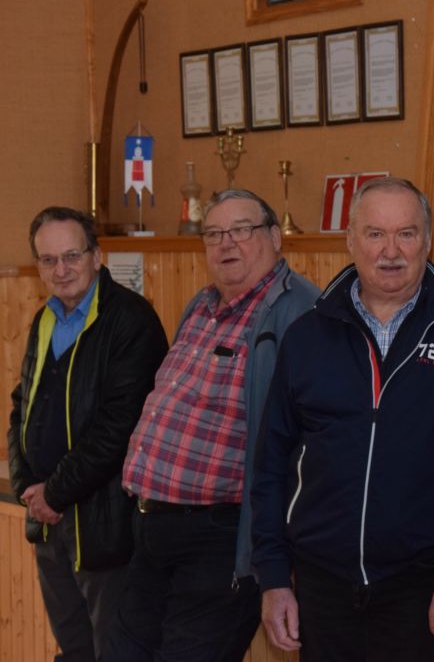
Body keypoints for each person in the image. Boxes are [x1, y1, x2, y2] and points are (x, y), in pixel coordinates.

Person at [252, 177, 434, 662]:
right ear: (351, 241)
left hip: (417, 584)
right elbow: (272, 461)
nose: (391, 251)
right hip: (319, 581)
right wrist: (273, 576)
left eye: (406, 233)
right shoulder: (308, 335)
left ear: (428, 240)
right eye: (375, 234)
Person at [103, 189, 319, 662]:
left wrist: (279, 560)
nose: (226, 243)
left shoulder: (302, 313)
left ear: (275, 238)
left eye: (241, 230)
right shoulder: (201, 304)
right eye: (214, 234)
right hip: (152, 529)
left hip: (221, 538)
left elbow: (309, 443)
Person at [7, 206, 168, 662]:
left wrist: (53, 493)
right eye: (48, 260)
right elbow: (23, 405)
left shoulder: (130, 320)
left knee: (116, 652)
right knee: (75, 650)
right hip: (49, 521)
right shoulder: (45, 318)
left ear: (97, 256)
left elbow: (120, 428)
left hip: (106, 528)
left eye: (72, 256)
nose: (61, 269)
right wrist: (25, 486)